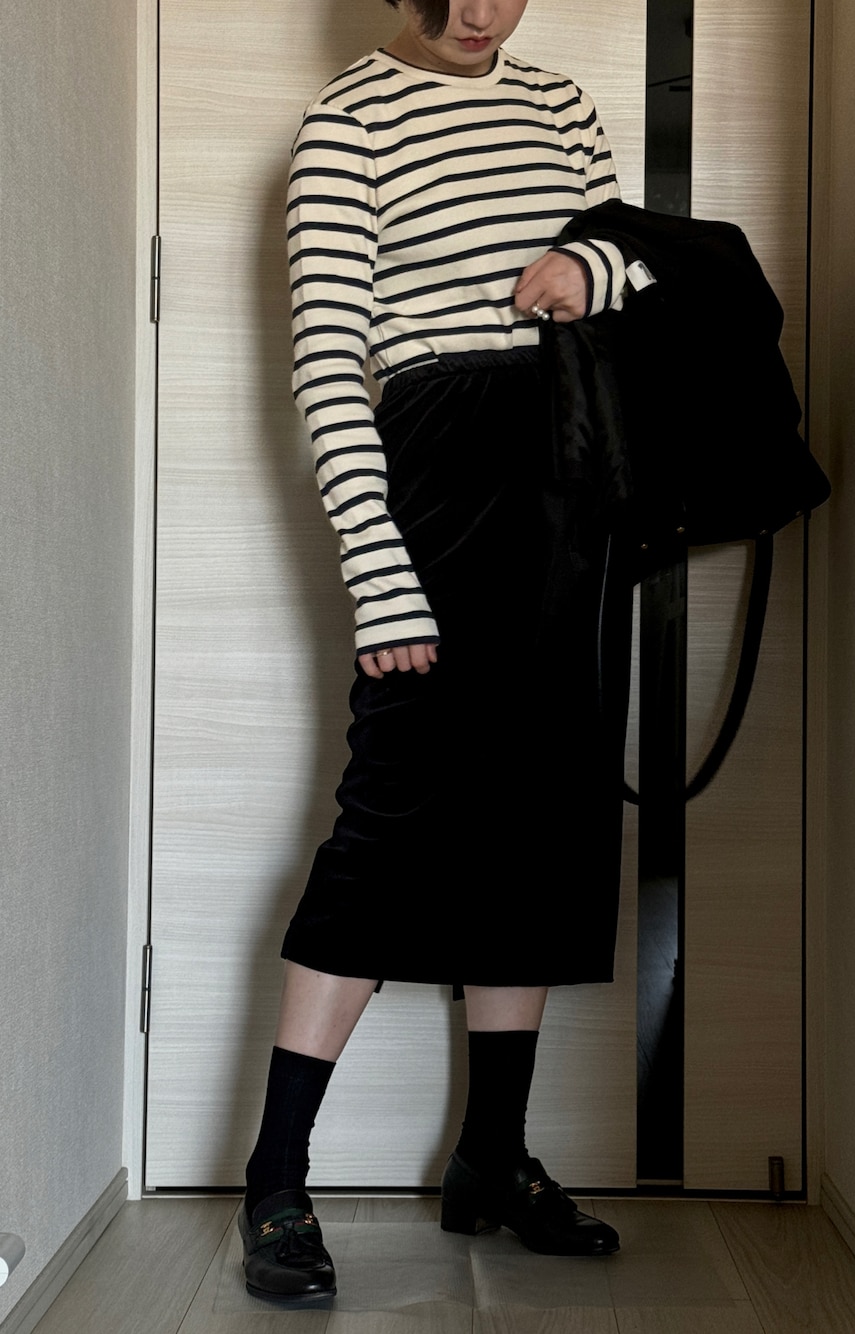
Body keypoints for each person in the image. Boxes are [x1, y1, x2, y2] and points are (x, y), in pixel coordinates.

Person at [239, 0, 633, 1303]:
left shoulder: (563, 106)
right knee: (391, 821)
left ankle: (494, 1157)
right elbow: (327, 363)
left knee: (541, 817)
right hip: (439, 476)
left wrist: (594, 276)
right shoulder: (349, 119)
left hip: (569, 471)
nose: (478, 11)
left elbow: (634, 274)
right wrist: (379, 572)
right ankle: (276, 1177)